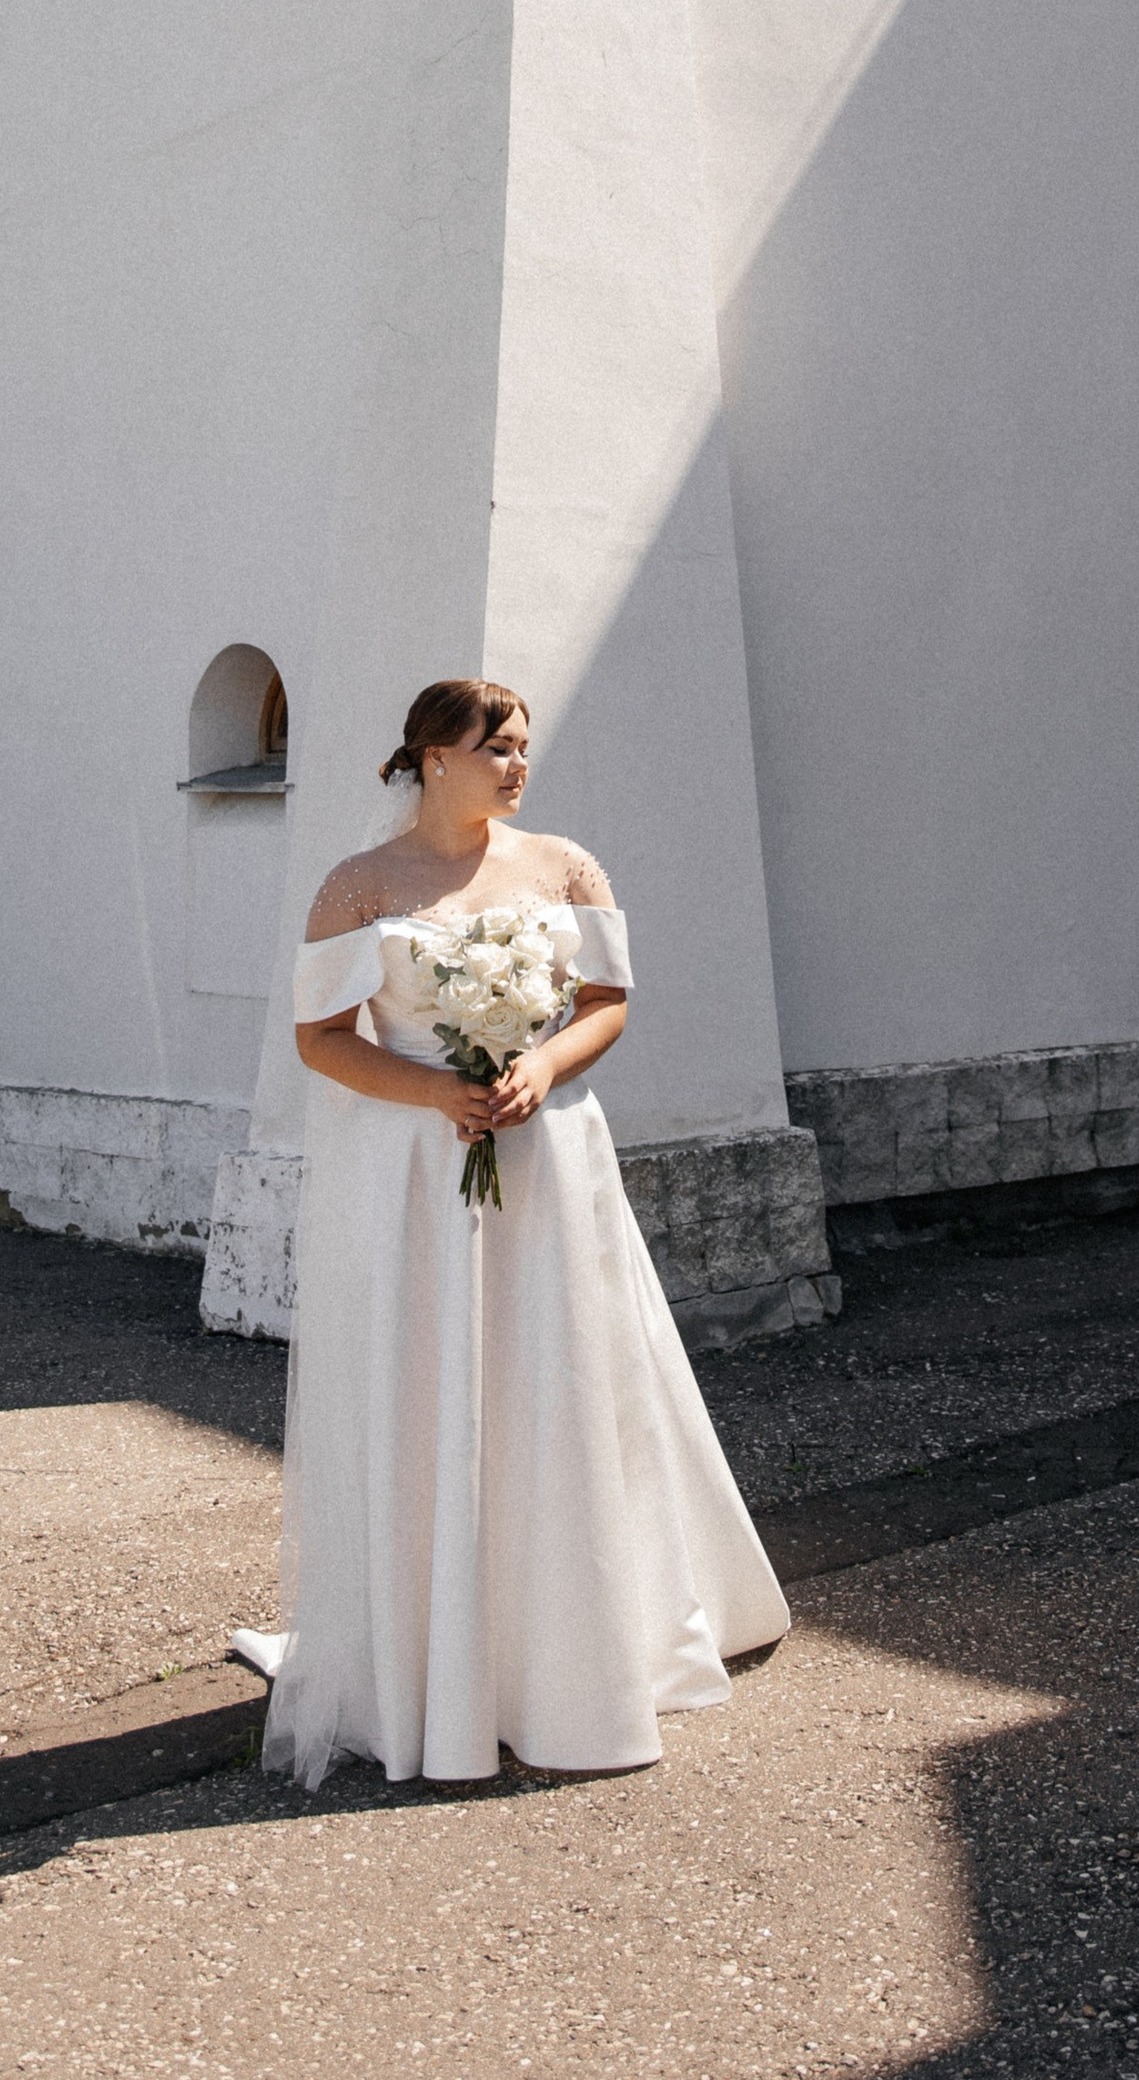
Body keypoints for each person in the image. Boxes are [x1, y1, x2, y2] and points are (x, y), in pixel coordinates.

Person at [232, 676, 789, 1788]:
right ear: (434, 755)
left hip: (548, 1156)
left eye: (523, 747)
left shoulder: (563, 866)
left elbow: (605, 1003)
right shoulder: (358, 885)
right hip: (420, 1168)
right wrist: (435, 1092)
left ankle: (575, 1651)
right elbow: (321, 1040)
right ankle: (436, 1655)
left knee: (561, 1383)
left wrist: (537, 1062)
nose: (516, 765)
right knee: (438, 1388)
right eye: (497, 747)